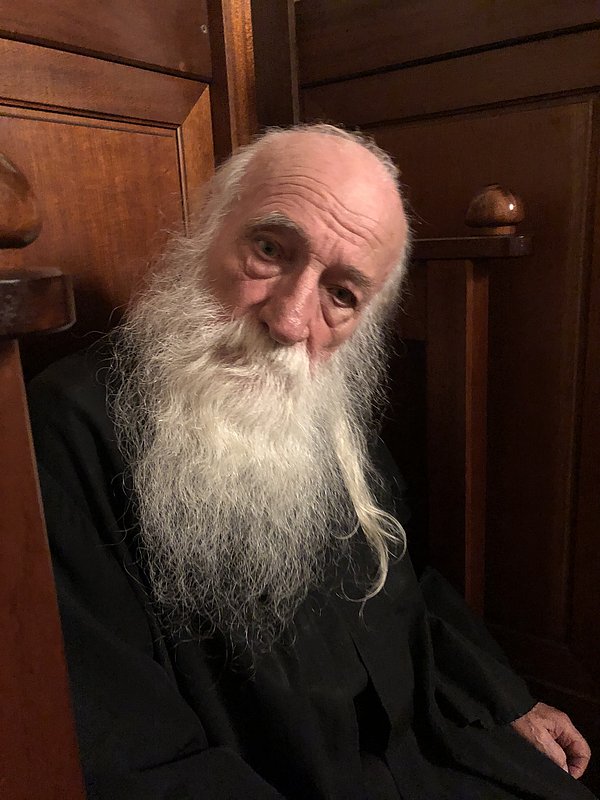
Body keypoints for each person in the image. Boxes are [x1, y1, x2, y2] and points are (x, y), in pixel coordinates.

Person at [28, 124, 594, 799]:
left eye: (341, 294)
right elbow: (128, 746)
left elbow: (406, 580)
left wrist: (503, 698)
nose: (292, 321)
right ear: (205, 231)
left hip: (424, 750)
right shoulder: (67, 429)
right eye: (270, 249)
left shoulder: (314, 401)